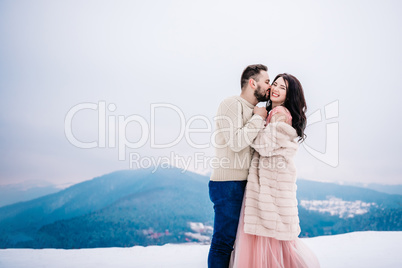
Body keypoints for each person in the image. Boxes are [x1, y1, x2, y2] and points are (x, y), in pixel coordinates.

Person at [230, 73, 320, 268]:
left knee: (268, 235)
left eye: (283, 87)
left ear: (290, 95)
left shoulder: (279, 113)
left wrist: (257, 119)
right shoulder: (277, 112)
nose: (276, 89)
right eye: (275, 84)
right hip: (270, 182)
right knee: (271, 237)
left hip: (271, 185)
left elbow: (264, 145)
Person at [208, 64, 271, 268]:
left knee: (240, 243)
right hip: (228, 183)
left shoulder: (257, 110)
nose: (270, 87)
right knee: (223, 243)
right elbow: (236, 142)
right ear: (253, 83)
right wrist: (258, 118)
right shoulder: (231, 104)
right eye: (267, 82)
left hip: (246, 182)